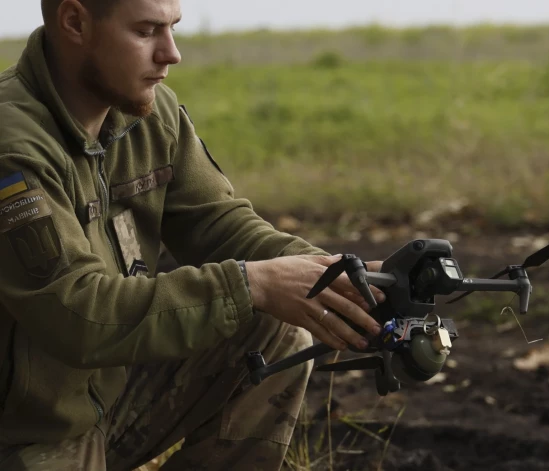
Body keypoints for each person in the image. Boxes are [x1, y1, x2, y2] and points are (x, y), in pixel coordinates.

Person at [0, 0, 386, 469]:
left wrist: (336, 276)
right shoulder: (12, 145)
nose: (171, 53)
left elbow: (219, 224)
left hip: (106, 408)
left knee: (274, 328)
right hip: (25, 435)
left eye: (172, 28)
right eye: (146, 31)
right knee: (256, 295)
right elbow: (78, 313)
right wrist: (252, 283)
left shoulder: (147, 113)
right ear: (75, 22)